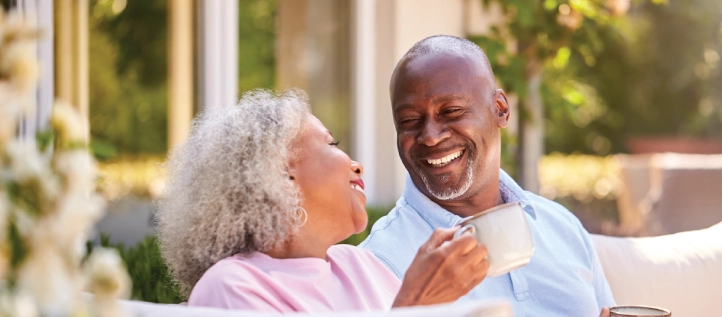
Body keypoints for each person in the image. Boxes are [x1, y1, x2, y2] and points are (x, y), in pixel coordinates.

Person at [155, 89, 490, 313]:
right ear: (280, 175)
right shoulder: (232, 287)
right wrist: (416, 305)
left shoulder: (362, 266)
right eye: (331, 144)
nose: (356, 164)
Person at [359, 35, 615, 317]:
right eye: (409, 121)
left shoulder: (561, 226)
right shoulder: (379, 260)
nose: (430, 137)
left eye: (451, 111)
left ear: (501, 110)